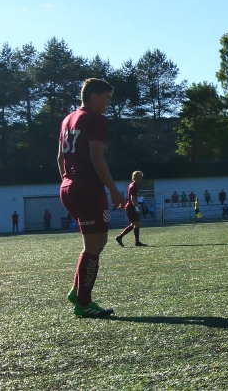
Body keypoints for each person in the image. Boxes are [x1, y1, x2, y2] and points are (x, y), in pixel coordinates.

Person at [58, 78, 125, 317]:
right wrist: (114, 190)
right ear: (94, 96)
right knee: (95, 246)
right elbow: (97, 158)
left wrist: (68, 181)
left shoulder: (68, 119)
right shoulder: (96, 119)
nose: (108, 103)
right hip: (87, 187)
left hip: (68, 186)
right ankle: (83, 303)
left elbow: (60, 158)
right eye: (107, 97)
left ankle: (77, 292)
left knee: (95, 243)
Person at [115, 171, 147, 247]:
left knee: (135, 224)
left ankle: (135, 241)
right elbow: (132, 199)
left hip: (131, 206)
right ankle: (120, 237)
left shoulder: (134, 185)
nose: (141, 177)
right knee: (136, 224)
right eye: (139, 176)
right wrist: (137, 208)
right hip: (131, 207)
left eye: (141, 176)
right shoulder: (133, 185)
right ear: (135, 177)